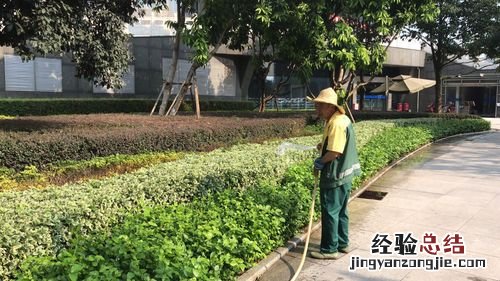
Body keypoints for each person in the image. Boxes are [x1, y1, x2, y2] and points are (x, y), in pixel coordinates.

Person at [309, 87, 361, 259]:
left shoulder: (336, 124)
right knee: (341, 210)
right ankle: (342, 243)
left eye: (320, 106)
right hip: (345, 175)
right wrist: (323, 146)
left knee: (330, 211)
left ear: (330, 107)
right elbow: (335, 146)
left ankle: (329, 249)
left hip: (335, 175)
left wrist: (321, 161)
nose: (317, 109)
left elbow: (335, 152)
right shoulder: (341, 119)